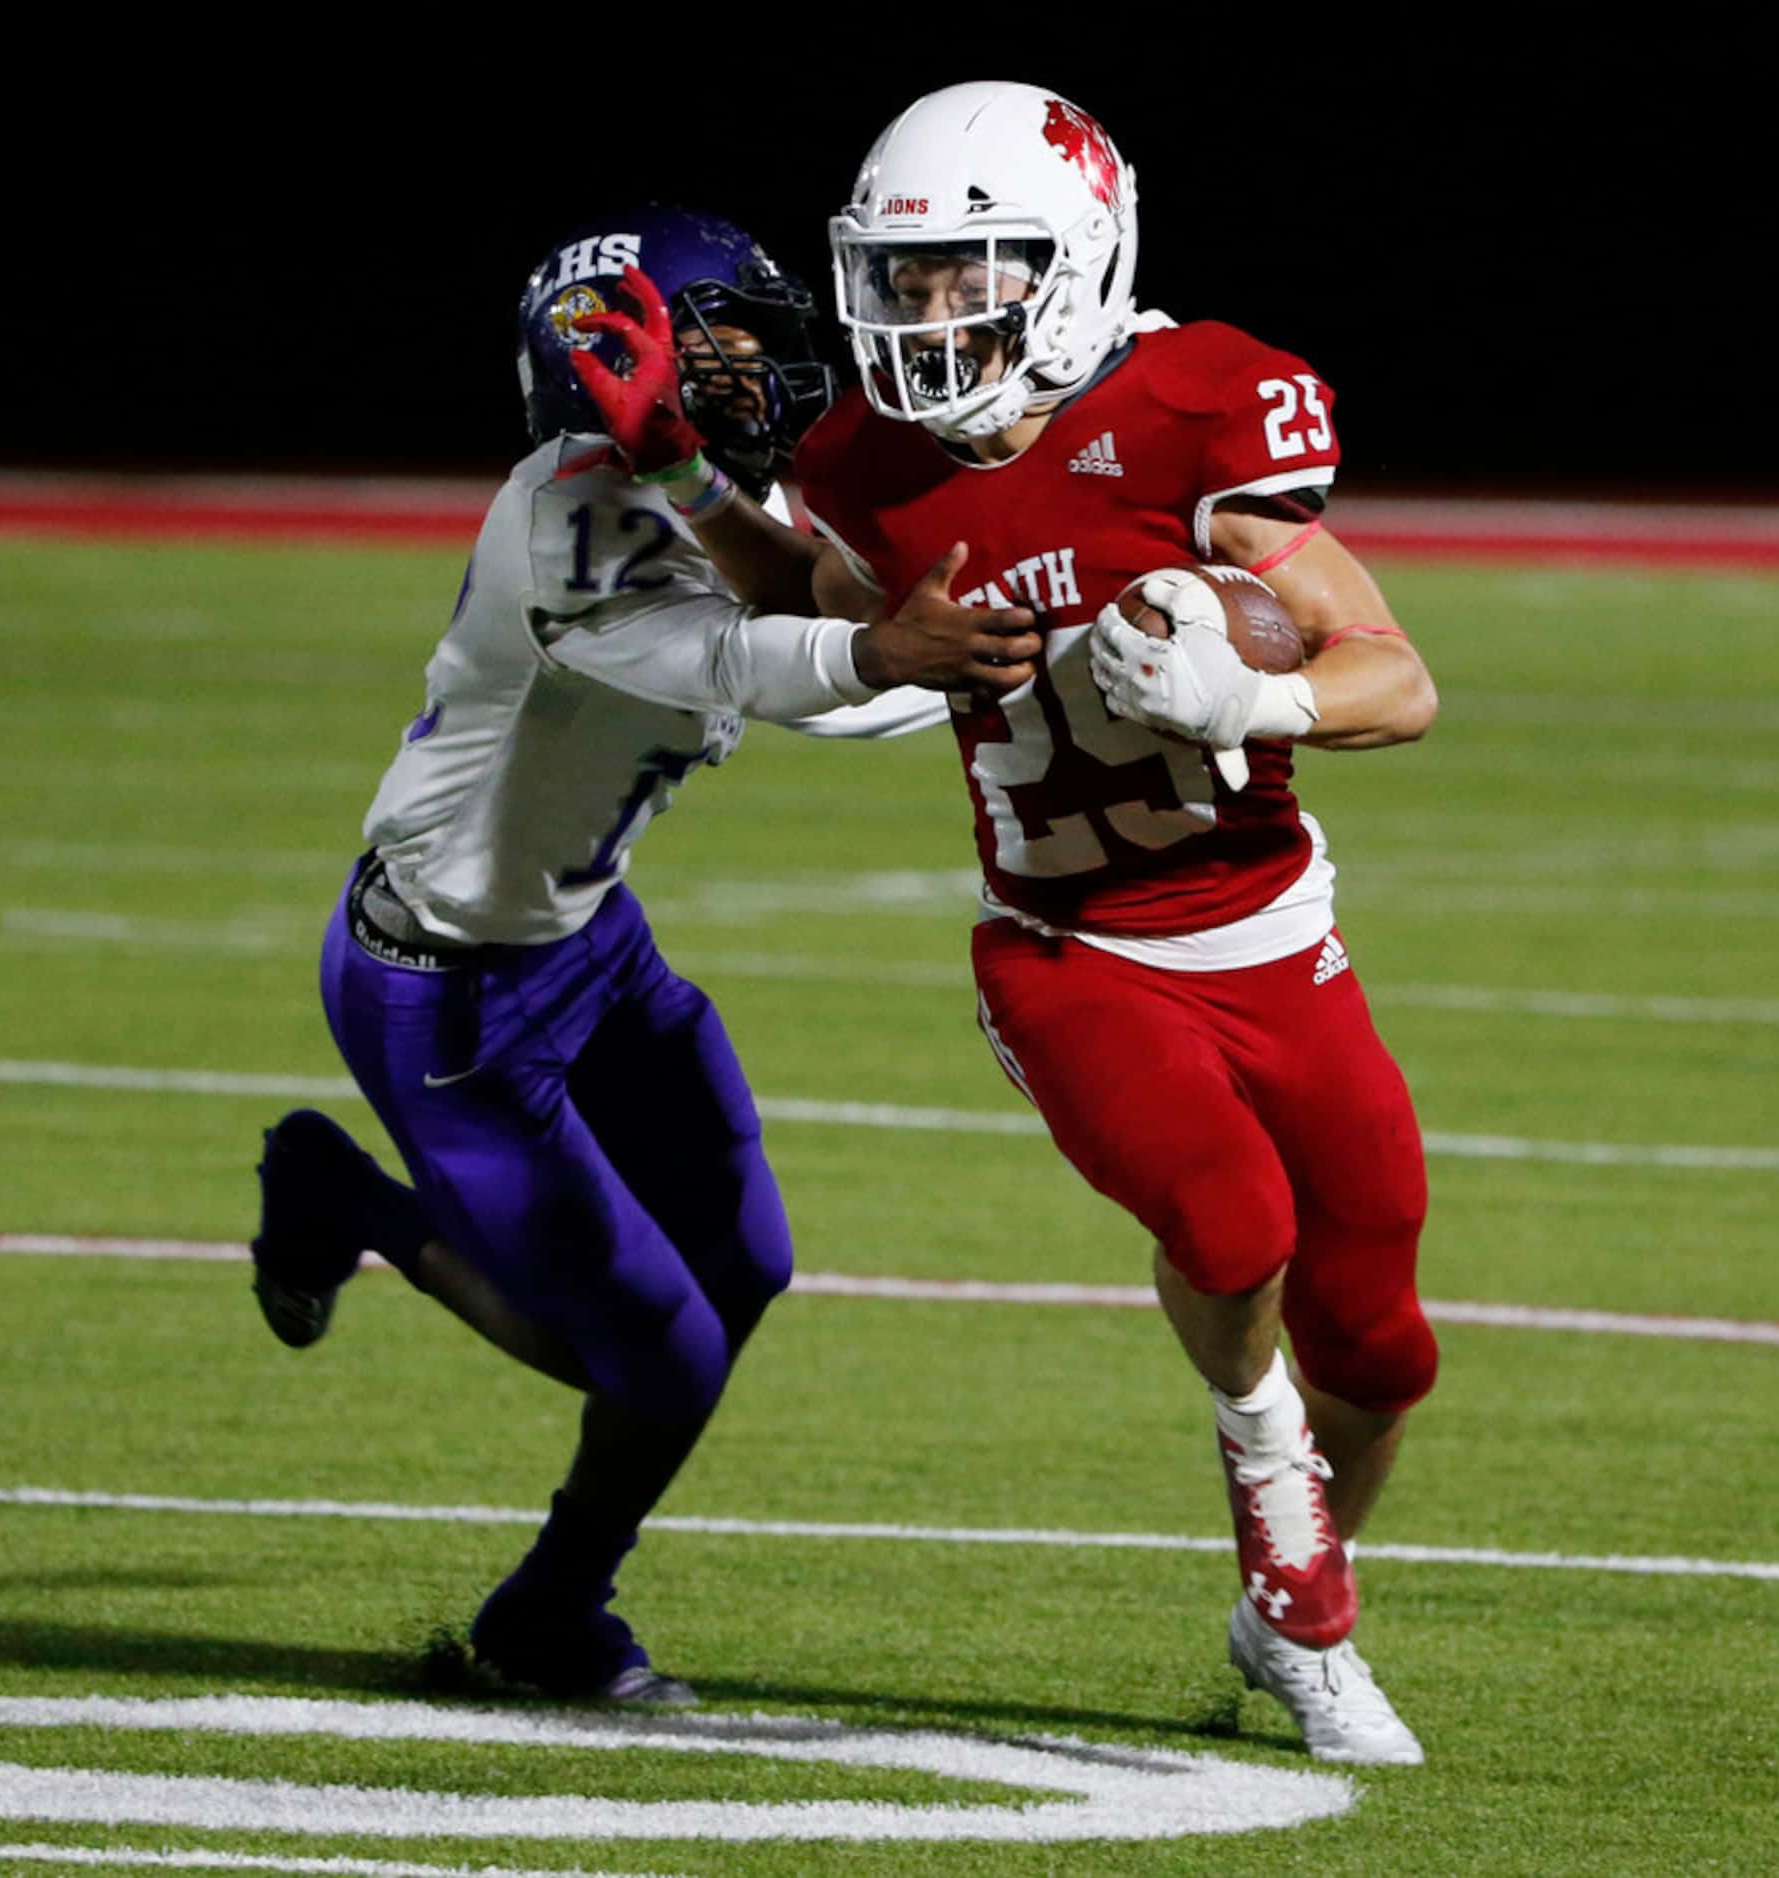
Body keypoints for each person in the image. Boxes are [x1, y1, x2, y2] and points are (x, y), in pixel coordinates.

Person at [597, 86, 1439, 1762]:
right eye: (900, 284)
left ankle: (1282, 1605)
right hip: (1069, 947)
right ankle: (1299, 1563)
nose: (926, 319)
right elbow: (819, 596)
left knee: (1386, 1341)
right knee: (1231, 1221)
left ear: (1072, 262)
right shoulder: (869, 463)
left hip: (1272, 926)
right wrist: (683, 469)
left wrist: (1240, 688)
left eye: (964, 275)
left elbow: (1398, 680)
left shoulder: (1200, 406)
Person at [247, 205, 1037, 1705]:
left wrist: (1010, 659)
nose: (764, 361)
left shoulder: (695, 485)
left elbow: (829, 611)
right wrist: (907, 661)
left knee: (746, 1267)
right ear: (621, 356)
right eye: (726, 331)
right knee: (655, 1360)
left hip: (586, 944)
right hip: (450, 989)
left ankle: (358, 1212)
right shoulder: (568, 519)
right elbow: (757, 660)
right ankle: (543, 1607)